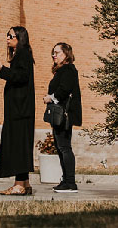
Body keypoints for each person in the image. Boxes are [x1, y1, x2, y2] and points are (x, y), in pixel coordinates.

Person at [0, 25, 34, 195]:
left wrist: (2, 68)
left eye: (11, 36)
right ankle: (25, 183)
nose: (7, 38)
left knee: (17, 145)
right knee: (20, 145)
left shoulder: (23, 54)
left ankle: (19, 185)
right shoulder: (21, 55)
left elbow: (21, 77)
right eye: (7, 35)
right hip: (19, 109)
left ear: (20, 38)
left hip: (20, 110)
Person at [46, 42, 82, 193]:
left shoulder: (68, 70)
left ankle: (70, 182)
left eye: (57, 52)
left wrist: (50, 98)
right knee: (61, 148)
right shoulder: (62, 70)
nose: (54, 55)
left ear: (66, 55)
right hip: (60, 115)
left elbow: (64, 90)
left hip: (64, 115)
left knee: (65, 147)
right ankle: (66, 181)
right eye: (53, 53)